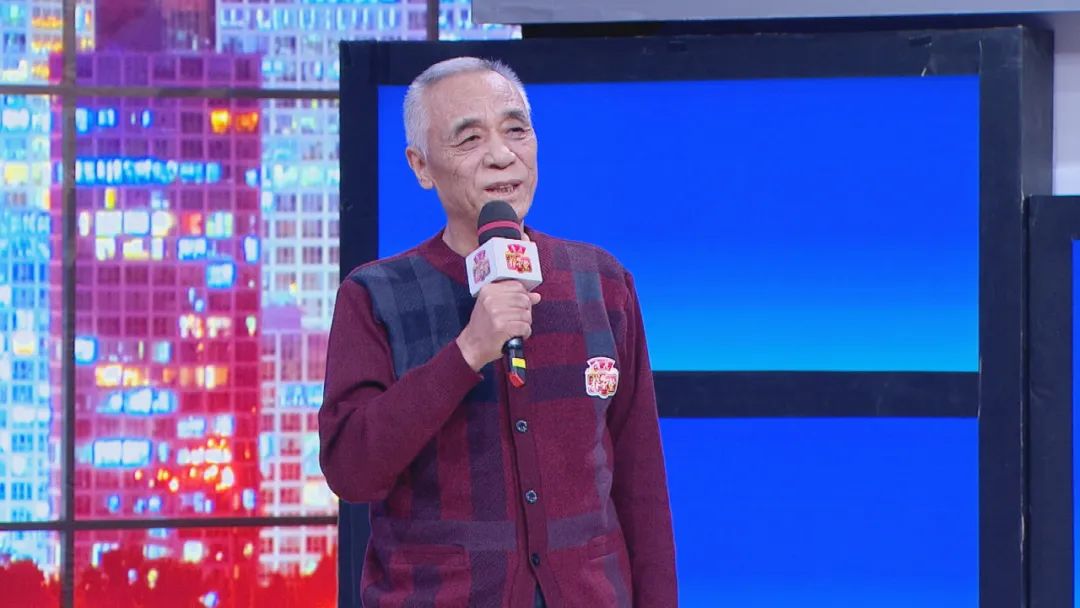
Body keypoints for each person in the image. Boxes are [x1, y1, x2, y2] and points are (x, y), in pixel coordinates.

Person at [319, 56, 677, 608]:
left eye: (516, 130)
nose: (501, 154)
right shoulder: (375, 295)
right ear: (421, 165)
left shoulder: (602, 282)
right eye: (470, 138)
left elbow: (641, 484)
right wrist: (466, 353)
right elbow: (352, 471)